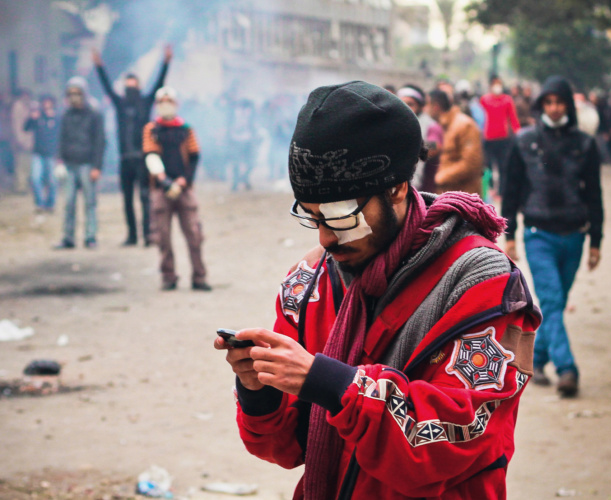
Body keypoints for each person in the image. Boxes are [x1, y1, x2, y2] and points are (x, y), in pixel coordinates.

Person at [214, 81, 541, 499]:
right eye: (312, 217)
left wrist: (334, 383)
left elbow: (460, 439)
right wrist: (258, 388)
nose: (327, 238)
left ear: (396, 188)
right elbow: (288, 447)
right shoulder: (309, 281)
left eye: (341, 216)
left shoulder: (482, 282)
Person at [502, 76, 604, 397]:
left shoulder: (585, 144)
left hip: (575, 235)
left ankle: (539, 357)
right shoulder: (524, 141)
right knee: (554, 301)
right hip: (538, 233)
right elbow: (511, 191)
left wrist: (597, 241)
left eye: (560, 102)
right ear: (541, 105)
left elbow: (595, 196)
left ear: (568, 107)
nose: (555, 108)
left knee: (554, 303)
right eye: (549, 102)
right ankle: (567, 369)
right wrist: (510, 235)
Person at [93, 46, 171, 246]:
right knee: (127, 200)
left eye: (133, 85)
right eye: (127, 86)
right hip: (125, 158)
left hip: (142, 157)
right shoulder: (120, 105)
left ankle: (147, 235)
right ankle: (132, 236)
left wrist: (165, 63)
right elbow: (107, 87)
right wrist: (99, 66)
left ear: (138, 87)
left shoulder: (145, 103)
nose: (130, 89)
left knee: (145, 198)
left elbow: (158, 84)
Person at [143, 87, 210, 291]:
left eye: (169, 100)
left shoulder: (186, 128)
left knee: (194, 234)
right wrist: (165, 183)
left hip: (184, 188)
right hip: (161, 190)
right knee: (162, 237)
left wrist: (181, 182)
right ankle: (168, 277)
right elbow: (150, 155)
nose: (165, 104)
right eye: (162, 101)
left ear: (176, 104)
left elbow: (194, 156)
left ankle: (199, 277)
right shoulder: (151, 129)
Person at [54, 77, 106, 249]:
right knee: (68, 203)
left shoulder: (94, 114)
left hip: (87, 165)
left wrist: (97, 166)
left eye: (77, 93)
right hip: (69, 164)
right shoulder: (66, 115)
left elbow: (100, 141)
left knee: (90, 203)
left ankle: (90, 237)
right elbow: (61, 138)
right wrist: (59, 160)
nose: (74, 97)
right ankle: (68, 237)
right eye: (71, 93)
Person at [427, 88, 484, 196]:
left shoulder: (464, 125)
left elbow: (471, 163)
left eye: (427, 105)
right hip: (449, 194)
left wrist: (441, 177)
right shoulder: (442, 125)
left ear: (435, 107)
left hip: (464, 197)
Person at [479, 75, 520, 200]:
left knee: (503, 166)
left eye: (499, 84)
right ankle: (491, 189)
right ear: (491, 86)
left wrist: (518, 133)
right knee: (488, 165)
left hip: (503, 138)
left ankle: (501, 191)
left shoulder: (507, 100)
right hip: (489, 138)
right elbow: (479, 118)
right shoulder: (484, 100)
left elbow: (513, 118)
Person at [397, 84, 443, 193]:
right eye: (402, 103)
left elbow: (434, 146)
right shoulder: (397, 124)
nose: (406, 107)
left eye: (410, 104)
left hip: (425, 189)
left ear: (420, 106)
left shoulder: (431, 126)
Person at [24, 96, 59, 212]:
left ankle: (50, 204)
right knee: (35, 178)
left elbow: (60, 135)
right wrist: (31, 118)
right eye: (44, 103)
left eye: (48, 102)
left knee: (52, 180)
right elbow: (26, 128)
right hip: (37, 153)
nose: (46, 105)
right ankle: (39, 203)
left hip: (51, 154)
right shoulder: (38, 117)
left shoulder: (57, 118)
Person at [228, 98, 258, 191]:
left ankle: (244, 179)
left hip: (248, 140)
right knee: (236, 163)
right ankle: (236, 182)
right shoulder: (233, 113)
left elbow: (253, 126)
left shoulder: (251, 114)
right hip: (236, 140)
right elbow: (228, 126)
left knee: (251, 162)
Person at [10, 89, 34, 194]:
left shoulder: (29, 106)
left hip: (29, 142)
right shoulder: (17, 107)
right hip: (21, 141)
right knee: (20, 165)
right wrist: (20, 140)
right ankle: (20, 187)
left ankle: (25, 186)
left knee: (28, 165)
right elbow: (17, 126)